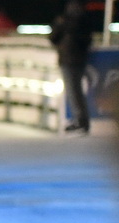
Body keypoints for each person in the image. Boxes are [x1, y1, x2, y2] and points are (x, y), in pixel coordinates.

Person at [51, 0, 94, 135]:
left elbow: (53, 38)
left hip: (71, 61)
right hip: (72, 60)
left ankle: (81, 122)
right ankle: (80, 121)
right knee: (74, 92)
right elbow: (53, 37)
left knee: (74, 92)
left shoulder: (73, 22)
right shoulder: (80, 21)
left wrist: (64, 26)